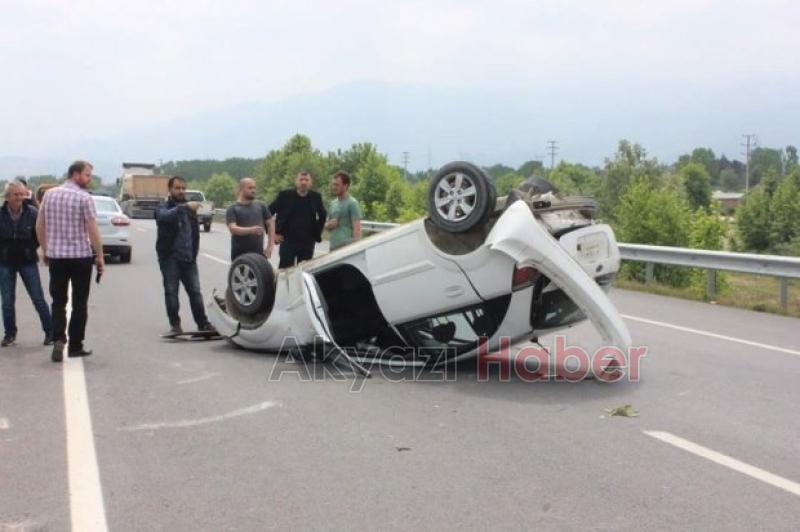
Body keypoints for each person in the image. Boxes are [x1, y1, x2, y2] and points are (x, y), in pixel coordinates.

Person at [35, 160, 104, 361]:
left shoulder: (49, 194)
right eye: (87, 175)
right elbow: (93, 230)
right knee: (80, 303)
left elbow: (40, 226)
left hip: (57, 258)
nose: (89, 179)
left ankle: (58, 338)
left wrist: (46, 250)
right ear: (75, 174)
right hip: (80, 257)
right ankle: (75, 345)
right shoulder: (84, 198)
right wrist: (99, 256)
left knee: (58, 301)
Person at [155, 176, 214, 336]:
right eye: (177, 188)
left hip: (189, 258)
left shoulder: (190, 209)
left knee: (195, 292)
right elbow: (162, 217)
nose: (181, 191)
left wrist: (194, 252)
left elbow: (194, 233)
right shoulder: (163, 206)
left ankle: (203, 324)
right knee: (171, 292)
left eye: (183, 188)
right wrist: (185, 207)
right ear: (170, 189)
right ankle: (175, 325)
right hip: (170, 258)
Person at [0, 182, 53, 346]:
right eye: (16, 195)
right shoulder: (1, 214)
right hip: (5, 262)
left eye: (22, 195)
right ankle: (9, 334)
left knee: (38, 298)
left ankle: (50, 332)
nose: (19, 198)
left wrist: (32, 249)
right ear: (7, 197)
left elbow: (40, 234)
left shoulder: (33, 213)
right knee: (7, 301)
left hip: (27, 261)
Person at [269, 171, 326, 269]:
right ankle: (282, 285)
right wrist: (273, 233)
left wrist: (317, 234)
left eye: (306, 180)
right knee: (285, 271)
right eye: (301, 179)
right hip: (287, 241)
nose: (303, 182)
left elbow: (323, 215)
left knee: (305, 271)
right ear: (296, 181)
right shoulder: (285, 196)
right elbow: (268, 213)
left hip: (307, 243)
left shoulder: (316, 197)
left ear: (310, 183)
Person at [226, 177, 275, 260]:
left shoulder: (261, 205)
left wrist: (270, 246)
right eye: (250, 188)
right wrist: (251, 230)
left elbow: (271, 224)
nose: (253, 190)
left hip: (259, 254)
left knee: (262, 273)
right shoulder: (233, 208)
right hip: (239, 255)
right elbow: (233, 228)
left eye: (254, 188)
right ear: (241, 189)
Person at [324, 171, 362, 251]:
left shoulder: (352, 203)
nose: (334, 187)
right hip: (333, 246)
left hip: (346, 247)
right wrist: (329, 225)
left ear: (345, 185)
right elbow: (326, 225)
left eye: (337, 185)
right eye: (333, 184)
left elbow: (357, 229)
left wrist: (356, 248)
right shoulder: (333, 203)